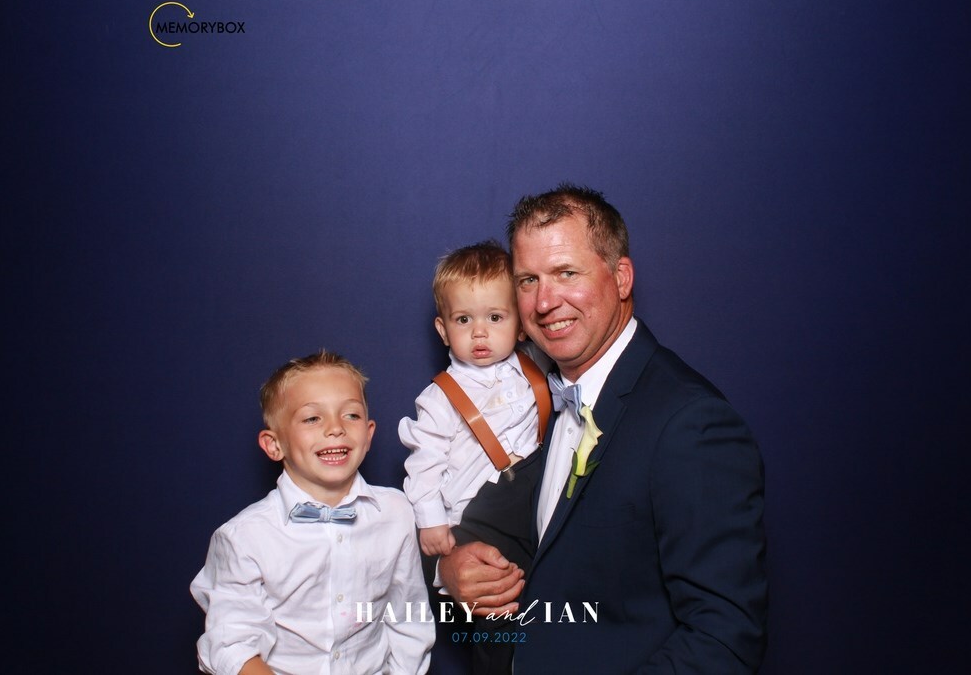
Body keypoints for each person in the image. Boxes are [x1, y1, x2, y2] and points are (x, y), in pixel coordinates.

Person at [439, 185, 768, 673]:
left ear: (621, 277)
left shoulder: (692, 423)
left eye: (566, 273)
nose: (544, 301)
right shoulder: (532, 393)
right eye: (528, 280)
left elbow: (724, 637)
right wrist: (449, 569)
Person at [190, 351, 434, 675]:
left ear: (369, 434)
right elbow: (231, 646)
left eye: (351, 415)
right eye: (312, 418)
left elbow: (407, 616)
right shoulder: (243, 538)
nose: (335, 428)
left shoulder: (396, 512)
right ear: (274, 445)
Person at [398, 240, 547, 673]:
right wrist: (431, 521)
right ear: (444, 330)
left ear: (520, 323)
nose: (479, 333)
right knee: (498, 605)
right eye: (464, 320)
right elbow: (424, 463)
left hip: (533, 500)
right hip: (478, 515)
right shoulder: (439, 398)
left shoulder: (534, 367)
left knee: (545, 604)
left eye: (495, 318)